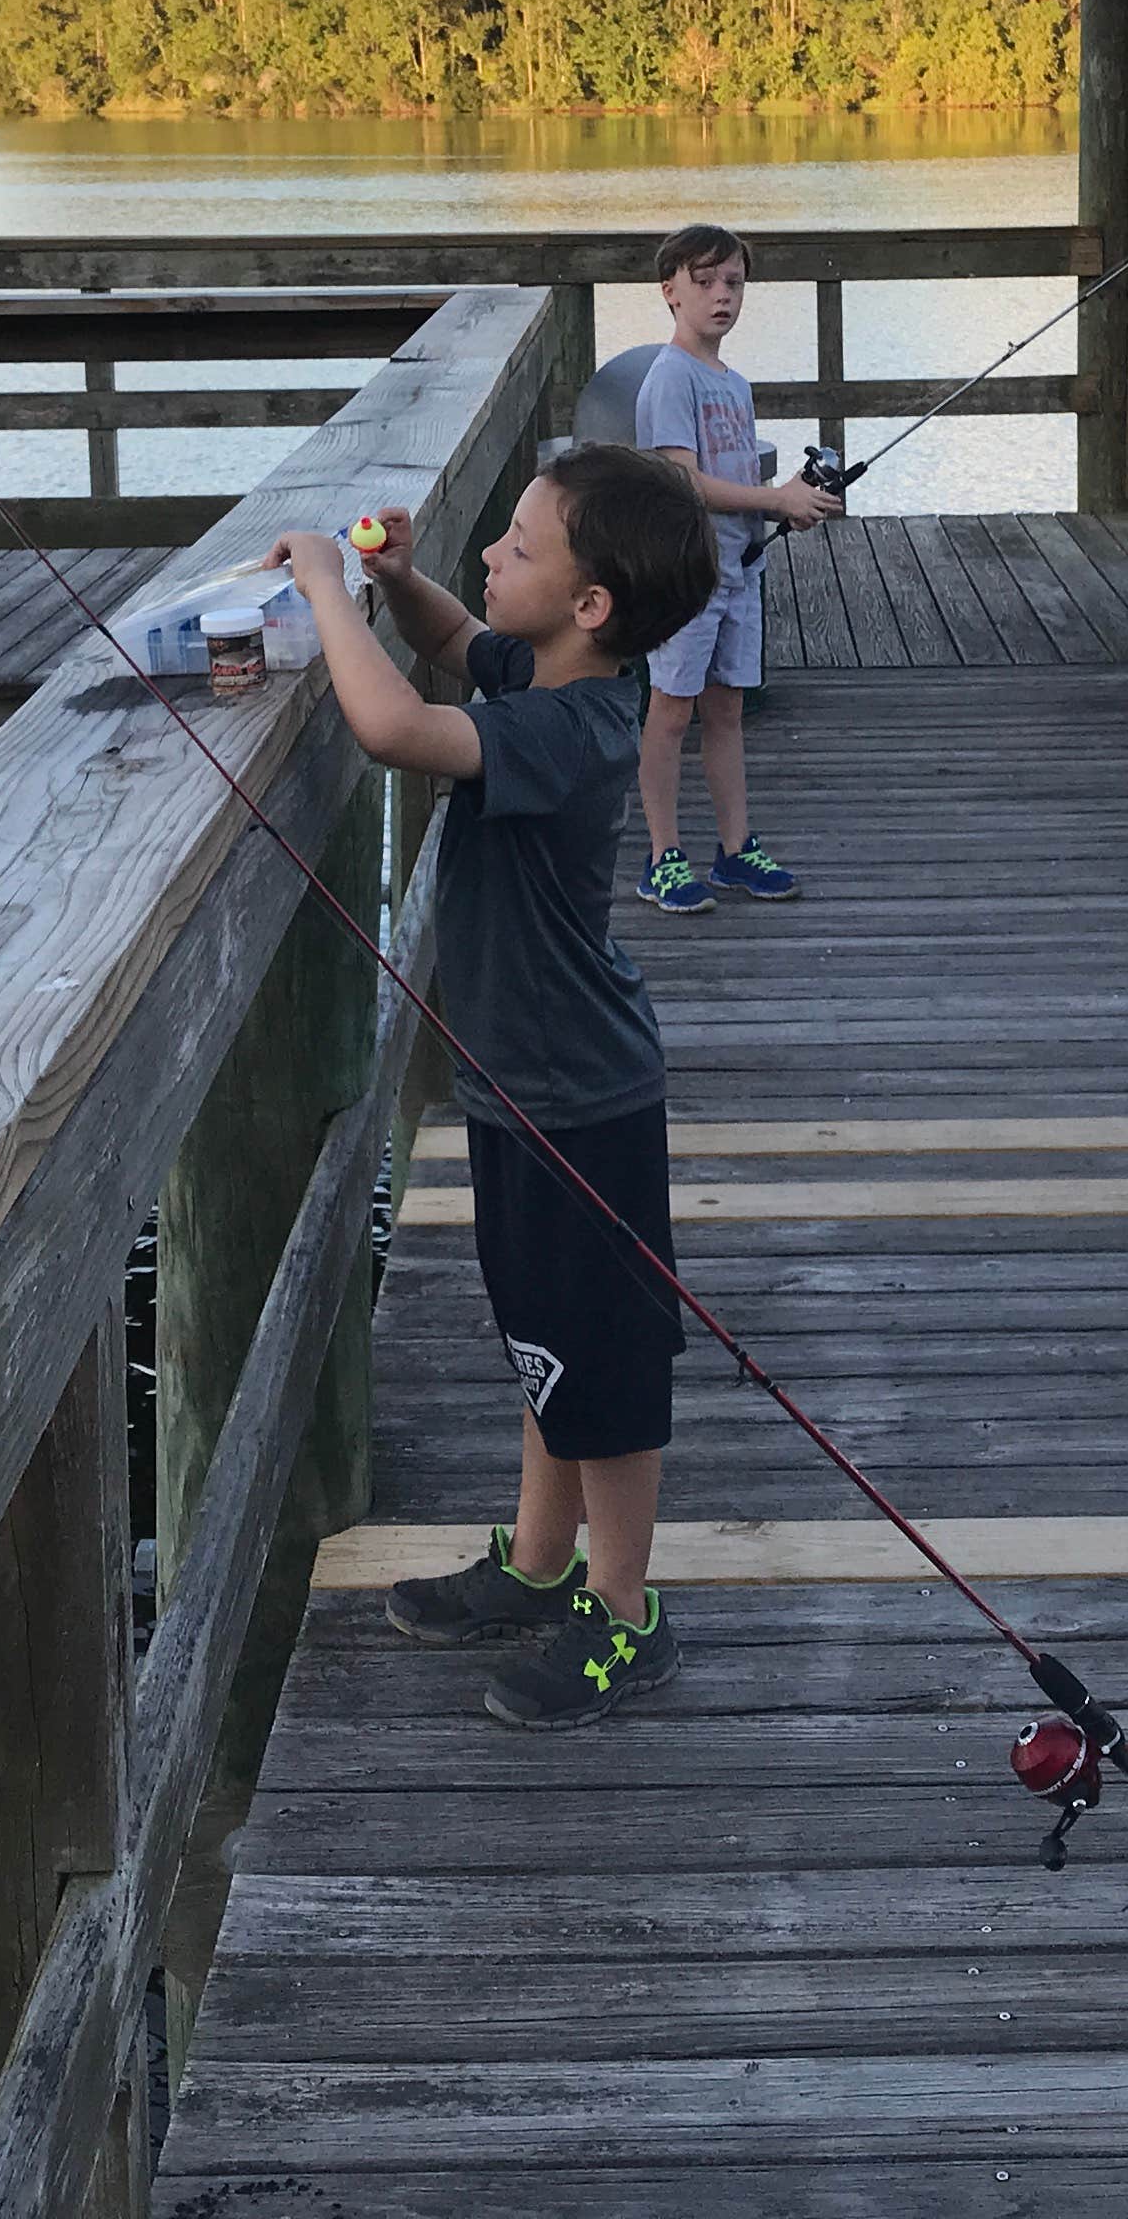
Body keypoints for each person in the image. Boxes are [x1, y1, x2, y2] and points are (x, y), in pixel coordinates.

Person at [264, 445, 717, 1727]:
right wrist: (402, 584)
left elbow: (396, 725)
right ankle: (534, 1565)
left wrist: (325, 590)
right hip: (527, 1092)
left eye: (519, 547)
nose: (491, 557)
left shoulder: (574, 728)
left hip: (584, 1104)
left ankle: (627, 1614)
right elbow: (462, 646)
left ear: (590, 609)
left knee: (609, 1377)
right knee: (545, 1344)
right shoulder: (548, 674)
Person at [628, 222, 840, 914]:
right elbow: (684, 483)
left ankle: (734, 849)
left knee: (727, 712)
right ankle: (662, 858)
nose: (722, 295)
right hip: (687, 575)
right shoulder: (670, 378)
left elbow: (738, 480)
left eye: (734, 283)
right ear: (670, 291)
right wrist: (773, 497)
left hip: (738, 573)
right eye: (705, 281)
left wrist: (789, 506)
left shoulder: (735, 384)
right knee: (669, 713)